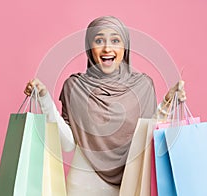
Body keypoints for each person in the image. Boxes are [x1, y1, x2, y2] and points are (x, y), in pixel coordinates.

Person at [24, 16, 186, 196]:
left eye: (115, 40)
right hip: (82, 188)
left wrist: (168, 104)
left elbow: (145, 139)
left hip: (129, 186)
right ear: (89, 47)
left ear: (125, 47)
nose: (107, 48)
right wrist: (45, 100)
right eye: (99, 40)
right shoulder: (75, 86)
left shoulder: (143, 85)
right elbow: (68, 144)